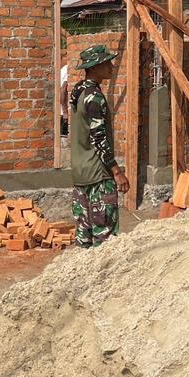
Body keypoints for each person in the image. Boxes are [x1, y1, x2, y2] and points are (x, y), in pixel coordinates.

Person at [68, 44, 129, 247]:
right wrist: (117, 172)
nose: (111, 67)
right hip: (98, 176)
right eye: (106, 63)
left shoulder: (78, 92)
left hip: (80, 173)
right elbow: (99, 138)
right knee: (105, 240)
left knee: (83, 237)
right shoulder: (94, 98)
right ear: (94, 68)